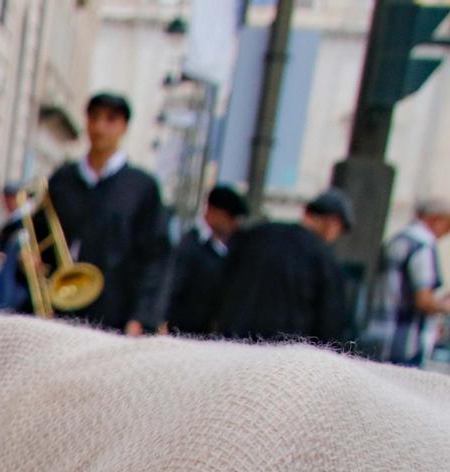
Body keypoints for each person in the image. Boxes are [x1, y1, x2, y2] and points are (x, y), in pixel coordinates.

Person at [42, 91, 170, 334]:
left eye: (110, 120)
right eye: (94, 118)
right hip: (60, 309)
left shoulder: (141, 187)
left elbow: (155, 256)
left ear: (123, 127)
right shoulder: (64, 179)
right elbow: (41, 236)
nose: (100, 127)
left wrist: (142, 316)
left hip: (115, 313)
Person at [209, 189, 354, 348]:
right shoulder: (324, 260)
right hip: (284, 361)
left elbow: (217, 288)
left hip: (231, 348)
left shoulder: (254, 237)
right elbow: (330, 326)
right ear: (333, 222)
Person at [360, 197, 450, 366]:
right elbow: (423, 300)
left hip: (377, 333)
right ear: (436, 219)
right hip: (405, 340)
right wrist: (444, 306)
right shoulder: (423, 245)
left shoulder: (397, 239)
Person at [161, 184, 249, 335]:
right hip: (184, 330)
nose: (234, 224)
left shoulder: (237, 246)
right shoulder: (190, 245)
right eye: (230, 218)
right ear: (213, 212)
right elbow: (173, 286)